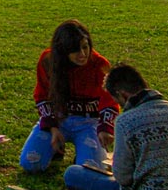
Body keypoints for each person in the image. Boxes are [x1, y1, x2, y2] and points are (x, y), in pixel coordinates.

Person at [20, 20, 118, 173]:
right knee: (30, 163)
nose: (83, 54)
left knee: (91, 170)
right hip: (59, 119)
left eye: (85, 47)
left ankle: (83, 154)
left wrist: (105, 128)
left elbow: (110, 100)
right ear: (63, 51)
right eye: (75, 50)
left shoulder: (99, 65)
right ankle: (54, 151)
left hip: (89, 122)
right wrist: (52, 127)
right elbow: (42, 95)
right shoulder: (48, 61)